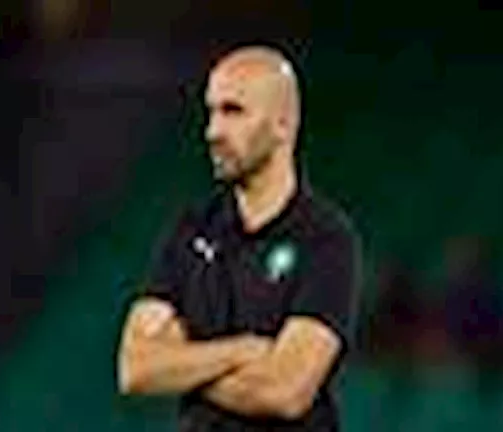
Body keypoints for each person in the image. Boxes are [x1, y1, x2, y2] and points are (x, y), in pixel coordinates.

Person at [117, 44, 362, 431]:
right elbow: (135, 367)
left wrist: (184, 365)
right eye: (211, 111)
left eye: (233, 111)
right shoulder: (191, 230)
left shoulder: (325, 240)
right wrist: (241, 351)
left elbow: (285, 392)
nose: (212, 132)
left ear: (282, 125)